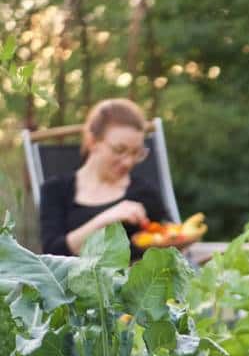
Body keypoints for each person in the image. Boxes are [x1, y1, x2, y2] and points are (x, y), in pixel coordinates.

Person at [39, 98, 175, 261]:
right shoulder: (55, 189)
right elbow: (52, 256)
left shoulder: (145, 193)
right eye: (119, 150)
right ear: (92, 141)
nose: (128, 162)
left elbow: (168, 238)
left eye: (136, 153)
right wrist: (108, 218)